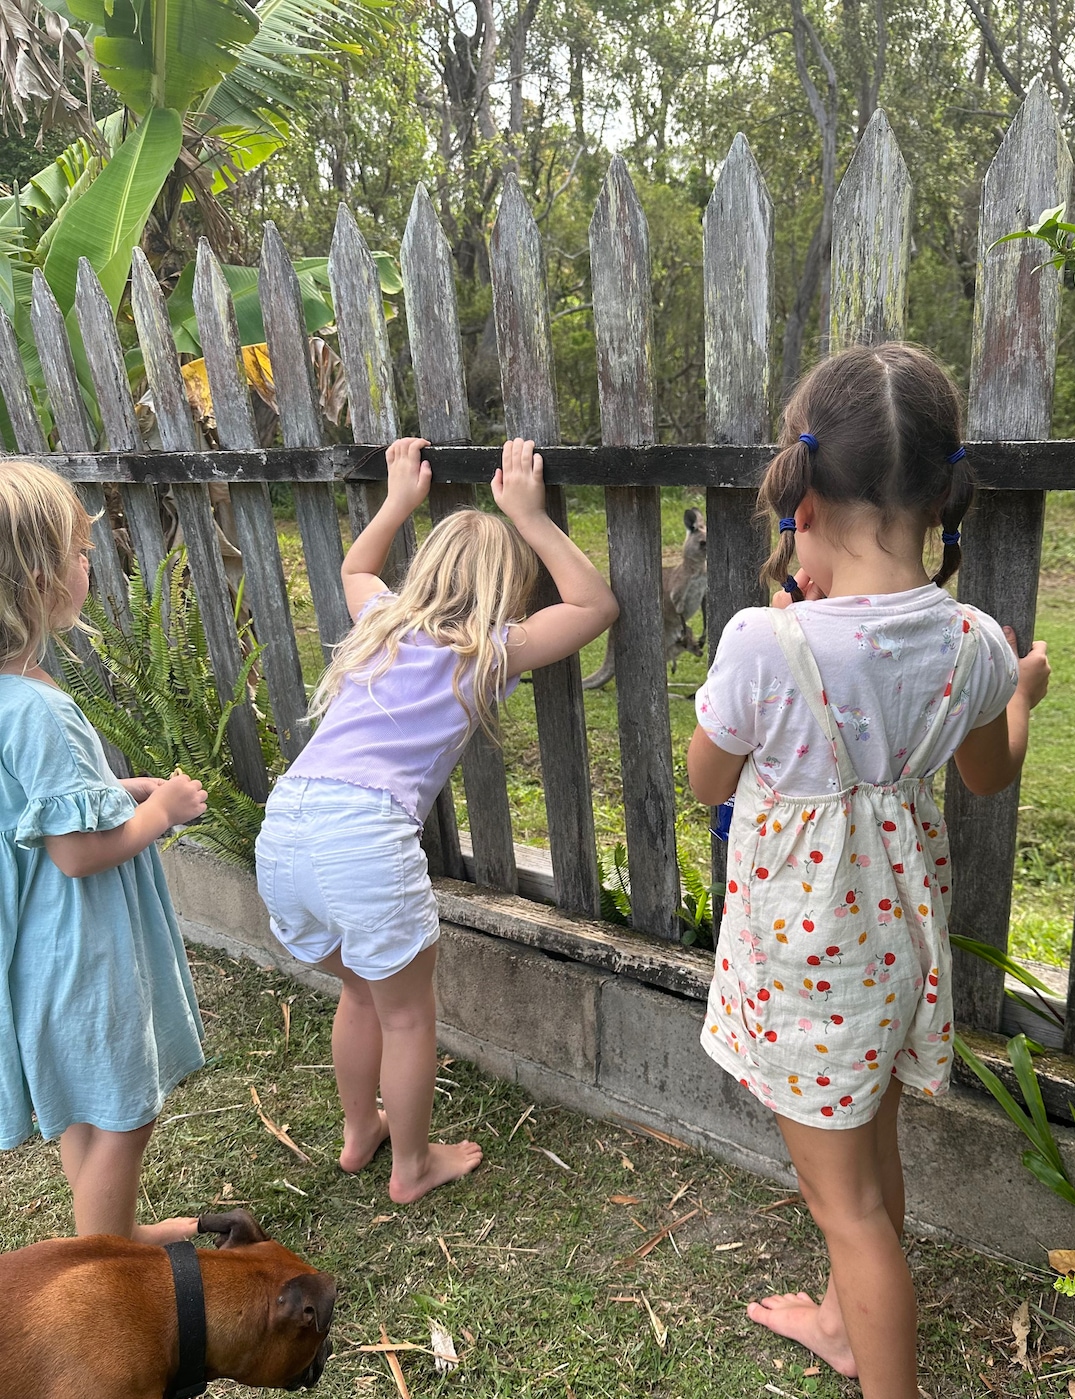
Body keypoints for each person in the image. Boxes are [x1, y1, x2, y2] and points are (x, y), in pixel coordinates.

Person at [688, 343, 1050, 1399]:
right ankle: (850, 1325)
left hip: (806, 966)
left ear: (800, 497)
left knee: (843, 1202)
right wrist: (1024, 695)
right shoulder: (977, 643)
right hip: (894, 953)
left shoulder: (766, 643)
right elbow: (990, 778)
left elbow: (708, 777)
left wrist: (781, 623)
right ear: (940, 497)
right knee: (872, 1155)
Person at [256, 437, 618, 1204]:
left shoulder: (378, 621)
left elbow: (356, 569)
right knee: (409, 1018)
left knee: (359, 995)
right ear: (505, 589)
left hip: (288, 822)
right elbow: (595, 606)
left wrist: (396, 502)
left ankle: (363, 1132)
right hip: (363, 838)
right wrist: (531, 515)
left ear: (426, 573)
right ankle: (413, 1166)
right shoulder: (486, 649)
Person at [0, 462, 208, 1241]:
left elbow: (34, 806)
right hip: (82, 947)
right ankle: (104, 1276)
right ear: (38, 578)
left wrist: (118, 789)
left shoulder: (9, 692)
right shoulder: (40, 708)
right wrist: (163, 809)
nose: (90, 562)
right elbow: (77, 854)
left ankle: (106, 1242)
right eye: (78, 550)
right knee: (125, 1115)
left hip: (39, 952)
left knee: (86, 1110)